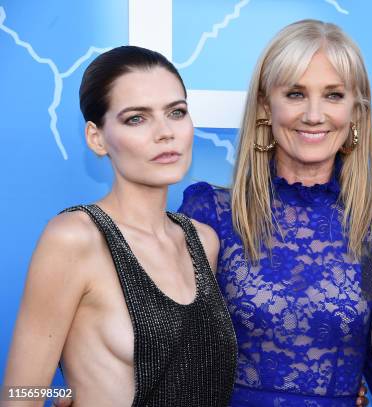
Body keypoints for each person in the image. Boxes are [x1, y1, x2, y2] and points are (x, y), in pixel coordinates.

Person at [179, 20, 372, 406]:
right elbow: (164, 345)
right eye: (296, 94)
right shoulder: (211, 212)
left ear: (356, 111)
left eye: (334, 95)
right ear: (266, 105)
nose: (314, 115)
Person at [2, 46, 237, 407]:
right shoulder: (75, 238)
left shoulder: (203, 241)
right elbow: (19, 394)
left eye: (176, 112)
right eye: (136, 119)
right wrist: (71, 394)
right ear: (97, 138)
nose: (165, 133)